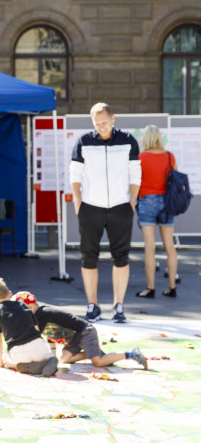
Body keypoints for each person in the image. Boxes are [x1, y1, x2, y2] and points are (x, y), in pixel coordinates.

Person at [69, 103, 141, 323]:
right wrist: (78, 202)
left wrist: (132, 200)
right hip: (91, 206)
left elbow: (135, 173)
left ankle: (118, 306)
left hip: (120, 206)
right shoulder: (84, 142)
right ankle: (93, 306)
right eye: (96, 123)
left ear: (113, 119)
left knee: (121, 257)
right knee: (88, 256)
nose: (101, 126)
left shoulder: (128, 141)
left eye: (104, 122)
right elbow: (75, 173)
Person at [12, 290, 148, 370]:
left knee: (98, 362)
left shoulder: (42, 314)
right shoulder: (39, 316)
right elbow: (49, 337)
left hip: (84, 332)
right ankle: (92, 352)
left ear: (29, 308)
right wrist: (52, 357)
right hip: (73, 340)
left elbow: (35, 337)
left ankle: (130, 354)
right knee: (63, 359)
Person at [135, 124, 178, 299]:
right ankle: (172, 286)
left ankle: (150, 288)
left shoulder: (141, 157)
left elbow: (136, 182)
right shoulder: (169, 156)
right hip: (167, 202)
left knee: (150, 248)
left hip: (147, 201)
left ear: (146, 138)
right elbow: (175, 179)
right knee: (170, 246)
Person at [0, 277, 58, 377]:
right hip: (39, 348)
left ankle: (24, 366)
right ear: (10, 294)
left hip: (18, 353)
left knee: (7, 361)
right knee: (45, 354)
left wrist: (0, 363)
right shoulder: (22, 305)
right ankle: (47, 361)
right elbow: (36, 329)